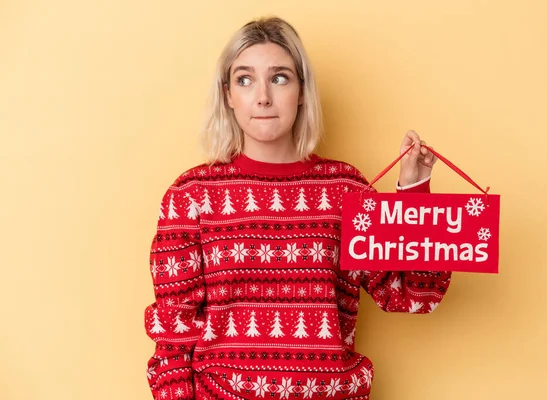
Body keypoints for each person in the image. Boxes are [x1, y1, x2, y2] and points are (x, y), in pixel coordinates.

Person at [144, 16, 452, 400]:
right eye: (244, 79)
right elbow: (173, 339)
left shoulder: (346, 190)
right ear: (227, 95)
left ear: (302, 90)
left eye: (279, 78)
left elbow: (412, 295)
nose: (262, 97)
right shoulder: (190, 196)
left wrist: (415, 192)